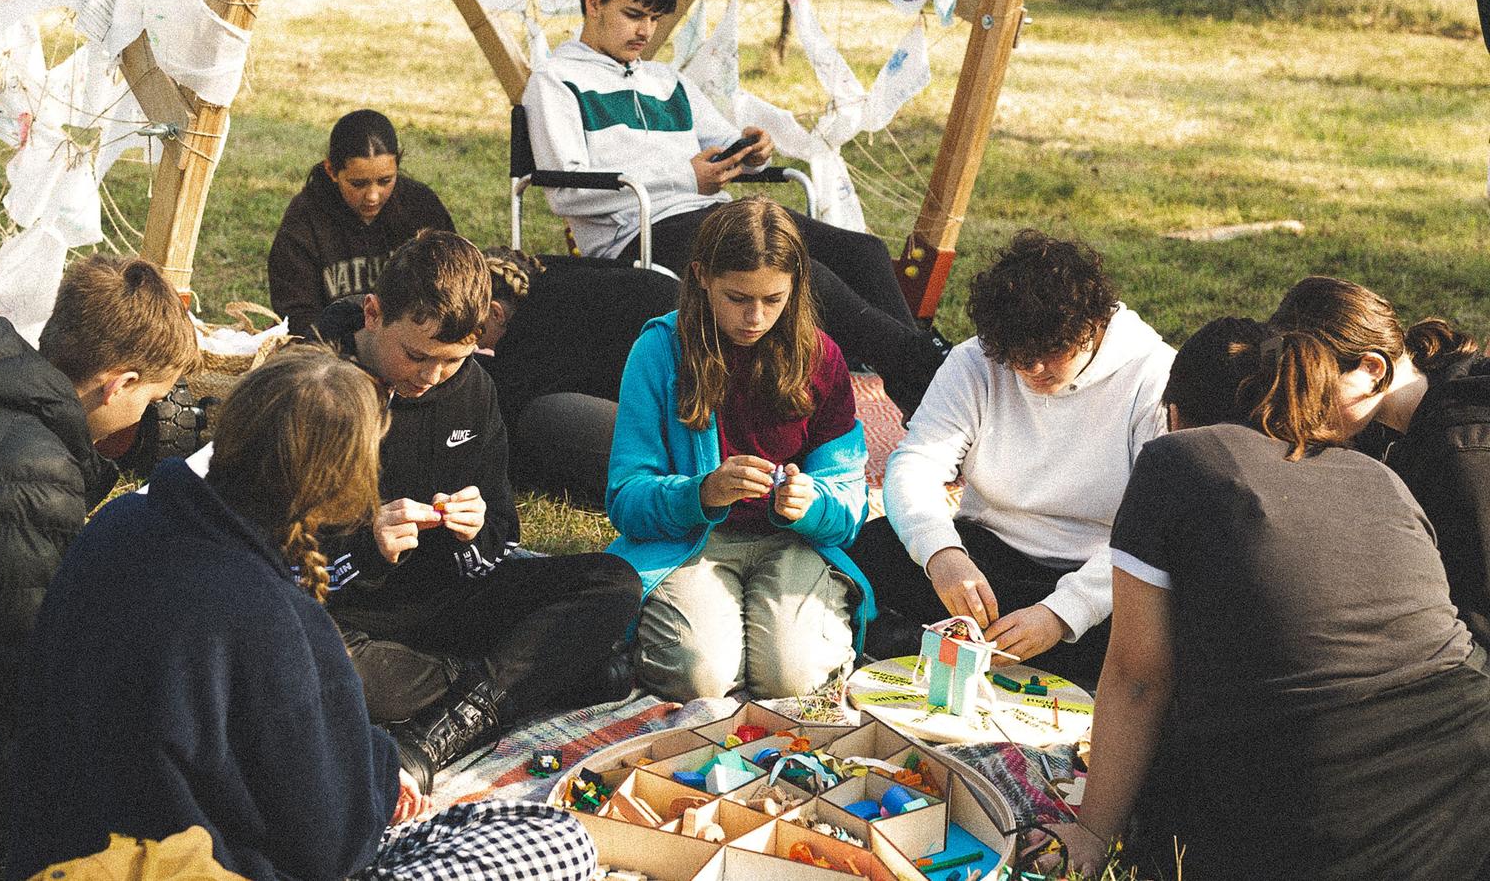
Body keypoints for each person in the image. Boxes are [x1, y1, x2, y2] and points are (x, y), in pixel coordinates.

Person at [7, 346, 597, 881]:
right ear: (344, 487)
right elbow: (328, 847)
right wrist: (376, 766)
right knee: (559, 839)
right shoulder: (273, 619)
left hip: (53, 849)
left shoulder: (117, 525)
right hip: (180, 861)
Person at [1057, 318, 1490, 881]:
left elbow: (1139, 678)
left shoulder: (1175, 461)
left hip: (1317, 804)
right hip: (1467, 777)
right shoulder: (1379, 474)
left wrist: (1094, 834)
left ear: (1177, 413)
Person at [520, 0, 947, 416]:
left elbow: (720, 144)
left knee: (862, 250)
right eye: (633, 15)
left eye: (655, 19)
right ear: (592, 2)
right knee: (805, 274)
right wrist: (686, 178)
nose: (646, 32)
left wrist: (754, 150)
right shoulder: (556, 81)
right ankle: (930, 370)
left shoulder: (667, 81)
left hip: (714, 217)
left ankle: (918, 385)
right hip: (643, 232)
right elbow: (566, 190)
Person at [0, 255, 198, 857]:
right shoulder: (34, 469)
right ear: (120, 383)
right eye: (152, 397)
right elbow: (19, 658)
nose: (147, 414)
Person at [312, 230, 641, 789]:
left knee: (613, 583)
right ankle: (534, 680)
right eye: (416, 355)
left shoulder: (473, 388)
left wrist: (475, 531)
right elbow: (277, 565)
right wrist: (367, 547)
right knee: (314, 669)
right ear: (372, 313)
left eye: (453, 360)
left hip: (448, 603)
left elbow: (504, 537)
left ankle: (448, 723)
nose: (431, 375)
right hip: (352, 621)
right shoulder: (312, 385)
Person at [848, 230, 1174, 685]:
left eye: (1050, 354)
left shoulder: (1153, 376)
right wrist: (941, 553)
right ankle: (977, 649)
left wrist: (1061, 615)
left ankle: (939, 645)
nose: (1033, 370)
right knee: (870, 548)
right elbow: (917, 461)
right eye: (1018, 358)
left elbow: (1153, 529)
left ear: (1093, 325)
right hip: (987, 552)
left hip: (1100, 571)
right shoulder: (976, 359)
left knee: (1160, 623)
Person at [607, 197, 874, 701]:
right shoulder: (660, 350)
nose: (755, 317)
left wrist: (809, 502)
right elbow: (626, 497)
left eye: (773, 300)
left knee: (794, 681)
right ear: (701, 277)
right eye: (737, 298)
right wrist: (700, 493)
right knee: (699, 676)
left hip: (793, 542)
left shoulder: (821, 357)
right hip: (692, 541)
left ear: (796, 287)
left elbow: (850, 503)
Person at [1270, 276, 1490, 645]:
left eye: (1314, 391)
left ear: (1373, 369)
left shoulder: (1463, 456)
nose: (1300, 412)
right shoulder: (1382, 430)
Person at [478, 247, 679, 503]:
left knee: (539, 418)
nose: (480, 346)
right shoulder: (561, 277)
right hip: (698, 401)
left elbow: (512, 408)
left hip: (684, 431)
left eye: (478, 334)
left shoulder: (536, 324)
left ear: (496, 313)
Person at [269, 108, 455, 339]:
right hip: (331, 350)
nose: (373, 196)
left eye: (386, 181)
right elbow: (296, 315)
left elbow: (452, 288)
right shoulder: (305, 219)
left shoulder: (421, 207)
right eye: (358, 184)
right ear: (332, 171)